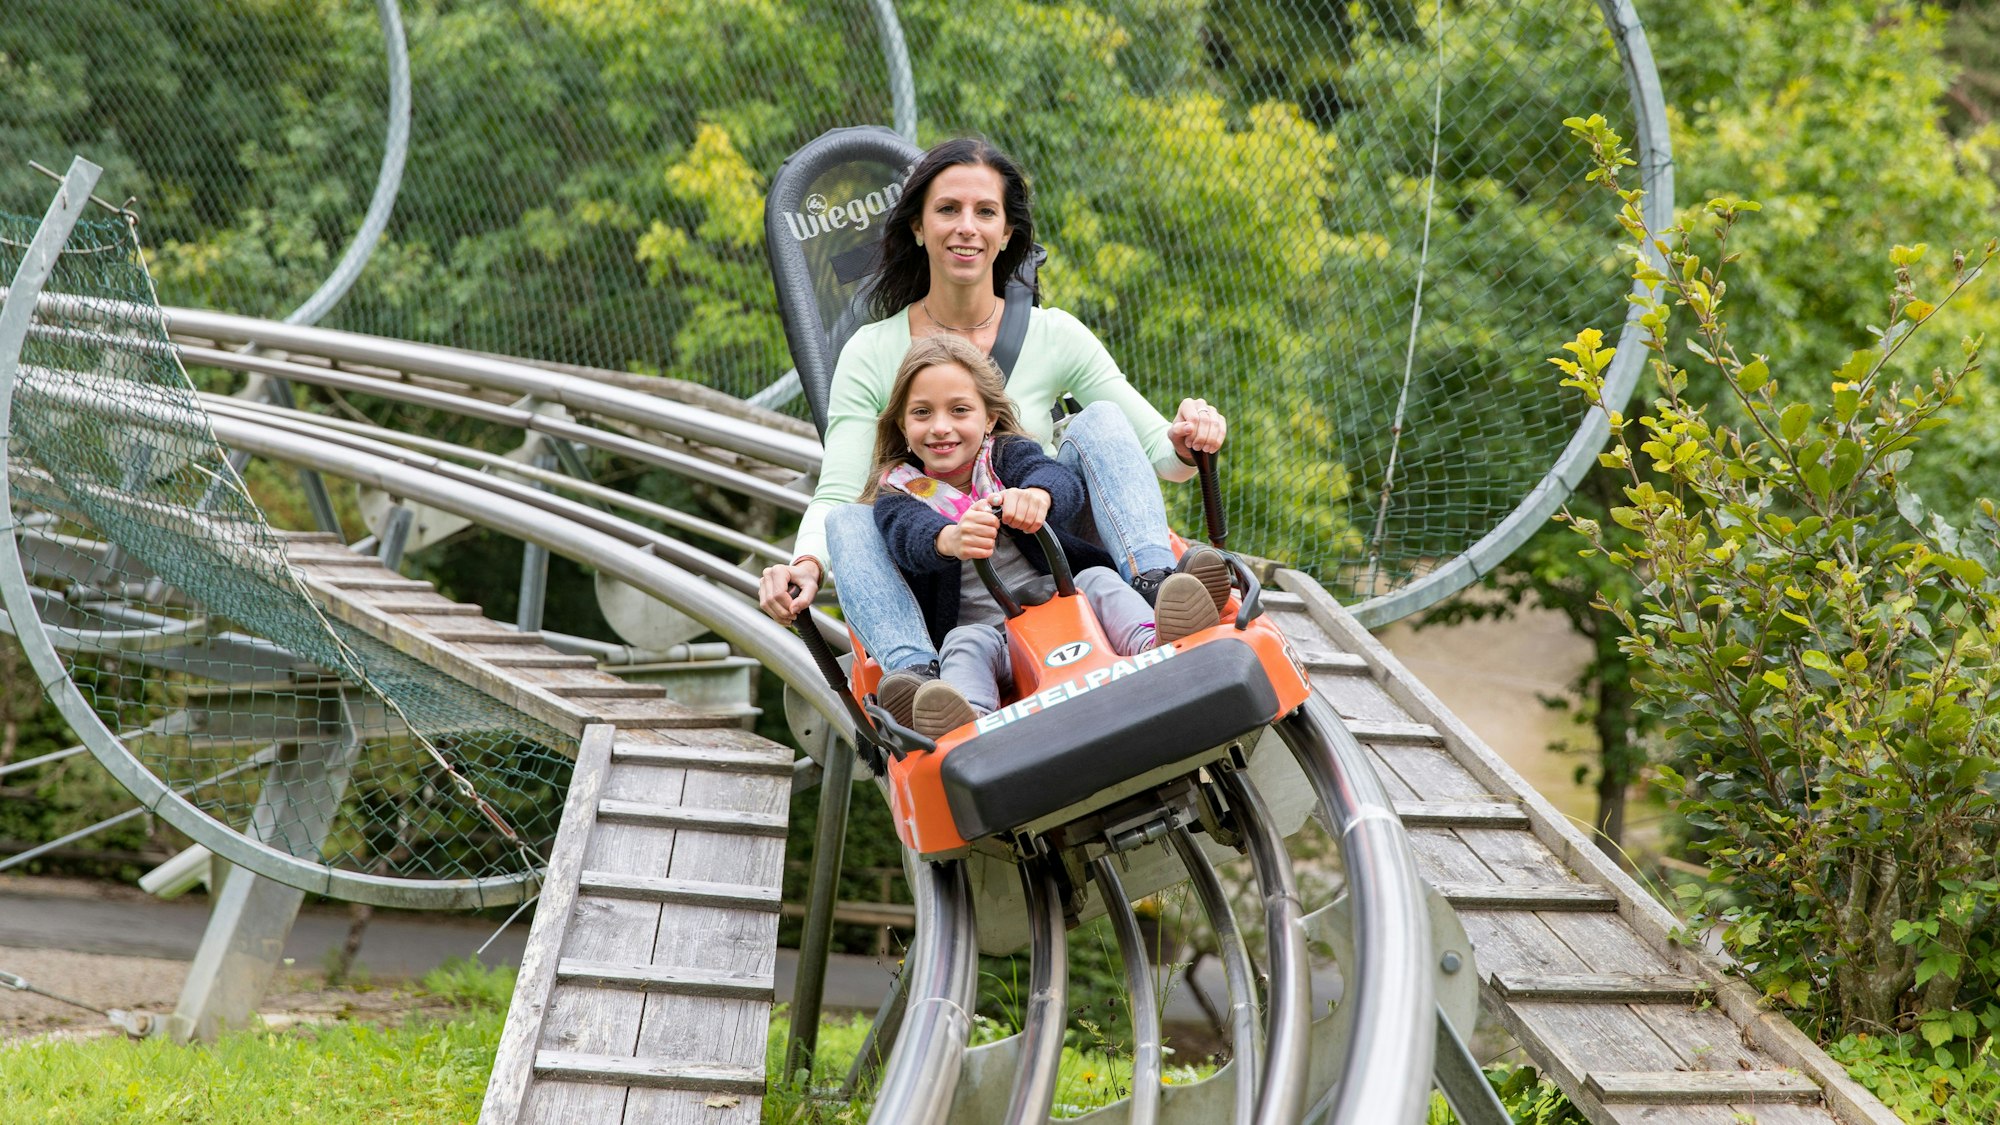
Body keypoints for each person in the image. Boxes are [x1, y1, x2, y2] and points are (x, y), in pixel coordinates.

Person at [758, 136, 1230, 724]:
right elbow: (839, 492)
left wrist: (1187, 438)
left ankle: (1156, 589)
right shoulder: (870, 353)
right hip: (954, 583)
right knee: (850, 517)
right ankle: (920, 680)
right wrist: (806, 564)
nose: (966, 228)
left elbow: (1158, 451)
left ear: (1007, 234)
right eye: (948, 210)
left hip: (1053, 546)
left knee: (1100, 419)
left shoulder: (1054, 334)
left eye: (985, 212)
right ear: (916, 227)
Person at [865, 336, 1219, 737]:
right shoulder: (900, 492)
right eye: (922, 414)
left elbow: (1056, 478)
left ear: (990, 419)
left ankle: (1152, 639)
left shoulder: (1005, 455)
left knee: (1099, 581)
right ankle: (966, 717)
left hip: (1066, 601)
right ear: (902, 425)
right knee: (963, 642)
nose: (940, 427)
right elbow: (906, 536)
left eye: (960, 410)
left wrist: (1036, 496)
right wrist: (948, 539)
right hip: (993, 636)